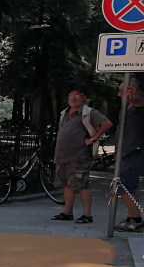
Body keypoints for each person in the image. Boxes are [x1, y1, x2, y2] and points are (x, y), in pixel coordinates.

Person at [51, 88, 112, 224]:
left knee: (82, 185)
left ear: (84, 98)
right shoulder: (65, 113)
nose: (73, 98)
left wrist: (93, 139)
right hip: (62, 155)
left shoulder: (88, 113)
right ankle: (68, 212)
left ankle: (87, 215)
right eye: (71, 95)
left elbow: (107, 124)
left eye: (77, 96)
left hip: (79, 156)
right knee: (67, 184)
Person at [114, 75, 144, 232]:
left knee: (125, 186)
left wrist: (135, 98)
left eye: (122, 91)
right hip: (124, 151)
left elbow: (141, 102)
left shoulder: (137, 102)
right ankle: (132, 215)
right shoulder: (126, 106)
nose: (119, 95)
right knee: (128, 186)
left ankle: (136, 220)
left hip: (133, 151)